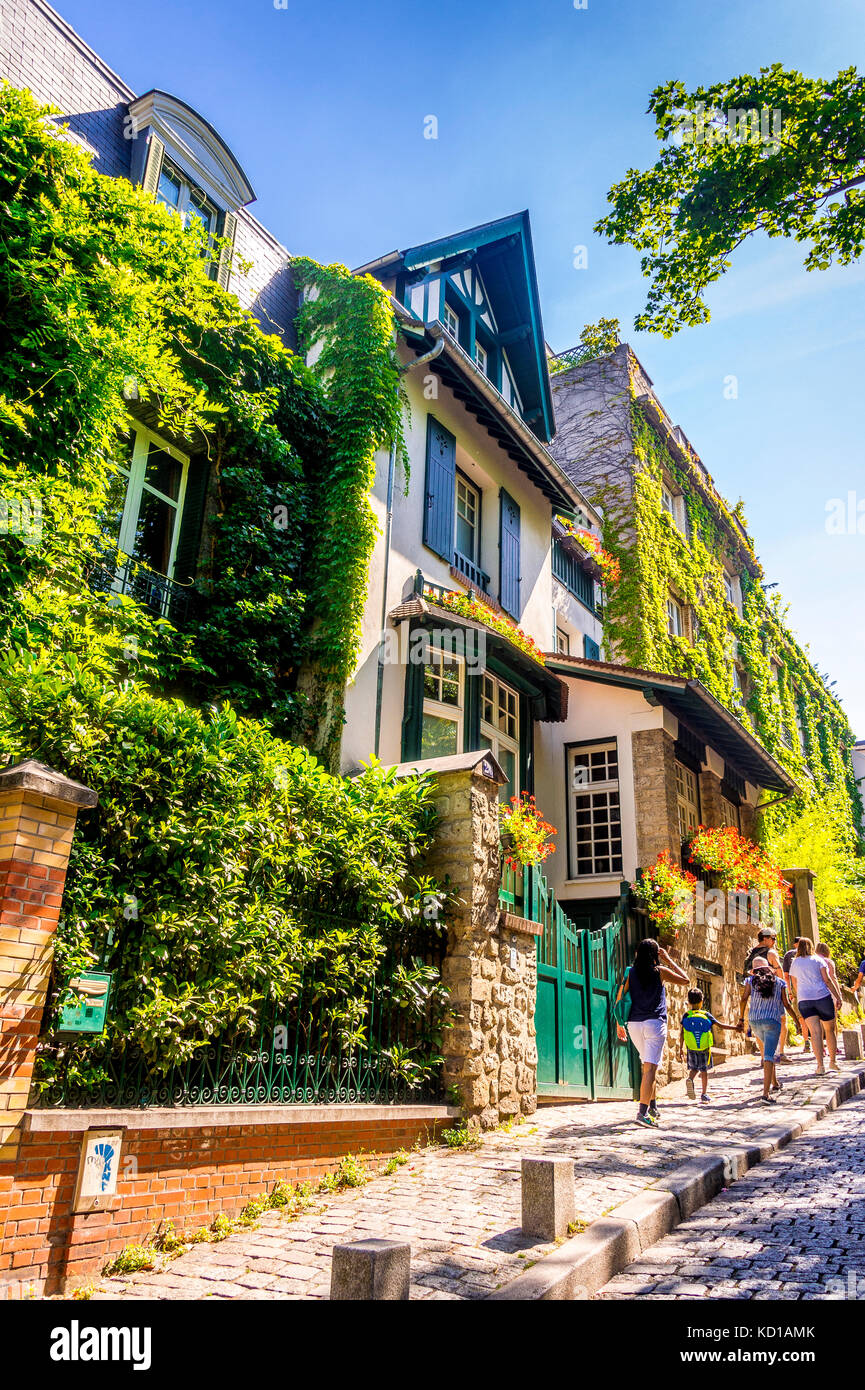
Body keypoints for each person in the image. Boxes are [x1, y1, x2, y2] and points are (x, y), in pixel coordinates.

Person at [615, 937, 689, 1128]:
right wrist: (668, 960)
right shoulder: (660, 972)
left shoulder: (630, 972)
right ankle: (642, 1113)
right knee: (650, 1068)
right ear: (656, 954)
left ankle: (653, 1106)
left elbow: (620, 996)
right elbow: (685, 980)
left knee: (647, 1066)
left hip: (634, 1024)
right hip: (654, 1024)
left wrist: (618, 1023)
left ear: (638, 953)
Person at [737, 956, 800, 1104]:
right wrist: (796, 1021)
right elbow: (786, 1004)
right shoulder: (779, 982)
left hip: (755, 1021)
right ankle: (765, 1095)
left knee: (767, 1053)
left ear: (754, 970)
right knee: (769, 1056)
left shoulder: (750, 981)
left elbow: (744, 999)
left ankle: (775, 1083)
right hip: (772, 1021)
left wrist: (741, 1019)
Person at [788, 937, 843, 1074]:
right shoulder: (818, 960)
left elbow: (794, 984)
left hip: (805, 1000)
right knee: (829, 1030)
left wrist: (800, 994)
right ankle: (832, 1062)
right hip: (822, 997)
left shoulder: (794, 963)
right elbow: (828, 980)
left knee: (815, 1032)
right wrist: (837, 996)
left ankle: (820, 1066)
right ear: (812, 946)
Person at [678, 987, 738, 1104]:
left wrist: (681, 1048)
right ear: (702, 1001)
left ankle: (690, 1079)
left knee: (694, 1067)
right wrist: (735, 1028)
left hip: (691, 1047)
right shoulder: (706, 1014)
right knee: (704, 1070)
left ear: (689, 1002)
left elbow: (681, 1033)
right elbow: (721, 1026)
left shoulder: (686, 1016)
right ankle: (704, 1094)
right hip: (704, 1047)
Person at [742, 929, 785, 1062]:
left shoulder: (750, 954)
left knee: (758, 1026)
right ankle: (780, 1053)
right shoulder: (770, 953)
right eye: (773, 938)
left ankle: (763, 1056)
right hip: (772, 991)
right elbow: (780, 973)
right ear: (765, 938)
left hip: (755, 993)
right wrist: (785, 992)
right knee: (782, 1020)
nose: (774, 941)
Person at [782, 937, 809, 1053]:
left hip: (797, 991)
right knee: (814, 1017)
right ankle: (820, 1043)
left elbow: (786, 976)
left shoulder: (790, 956)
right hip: (812, 990)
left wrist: (789, 992)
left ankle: (806, 1041)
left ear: (794, 944)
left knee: (802, 1018)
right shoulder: (812, 957)